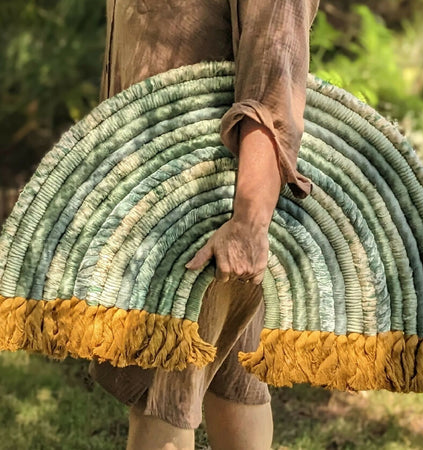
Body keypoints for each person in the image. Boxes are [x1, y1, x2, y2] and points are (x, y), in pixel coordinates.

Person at [89, 1, 320, 449]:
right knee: (232, 382)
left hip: (206, 209)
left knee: (166, 394)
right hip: (157, 195)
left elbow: (275, 72)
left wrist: (248, 224)